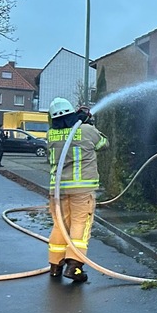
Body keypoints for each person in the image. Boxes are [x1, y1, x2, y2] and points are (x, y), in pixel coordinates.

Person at [46, 97, 109, 282]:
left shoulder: (50, 134)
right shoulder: (87, 130)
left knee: (60, 226)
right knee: (80, 225)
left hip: (57, 190)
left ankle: (55, 265)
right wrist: (88, 122)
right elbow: (104, 144)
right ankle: (74, 266)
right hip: (81, 189)